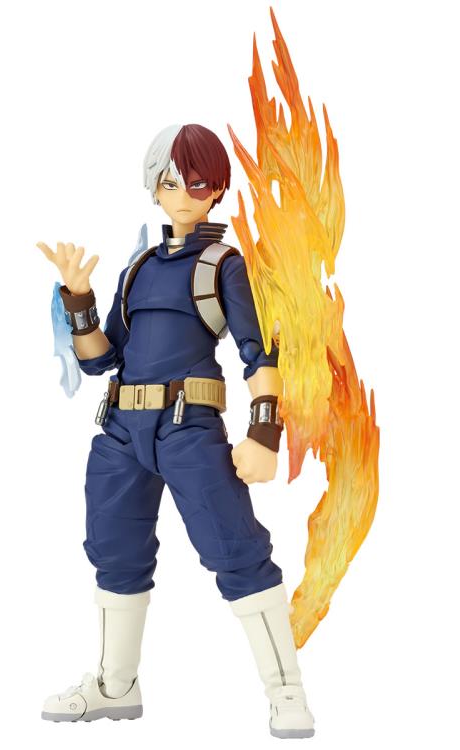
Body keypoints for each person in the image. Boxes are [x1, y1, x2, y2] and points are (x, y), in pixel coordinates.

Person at [35, 123, 314, 739]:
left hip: (189, 427)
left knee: (236, 548)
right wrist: (78, 298)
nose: (182, 194)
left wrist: (264, 434)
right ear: (154, 187)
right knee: (113, 551)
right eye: (169, 182)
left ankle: (286, 690)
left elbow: (258, 355)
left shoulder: (223, 265)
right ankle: (115, 686)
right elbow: (100, 359)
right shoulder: (139, 267)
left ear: (216, 189)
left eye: (196, 182)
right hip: (120, 429)